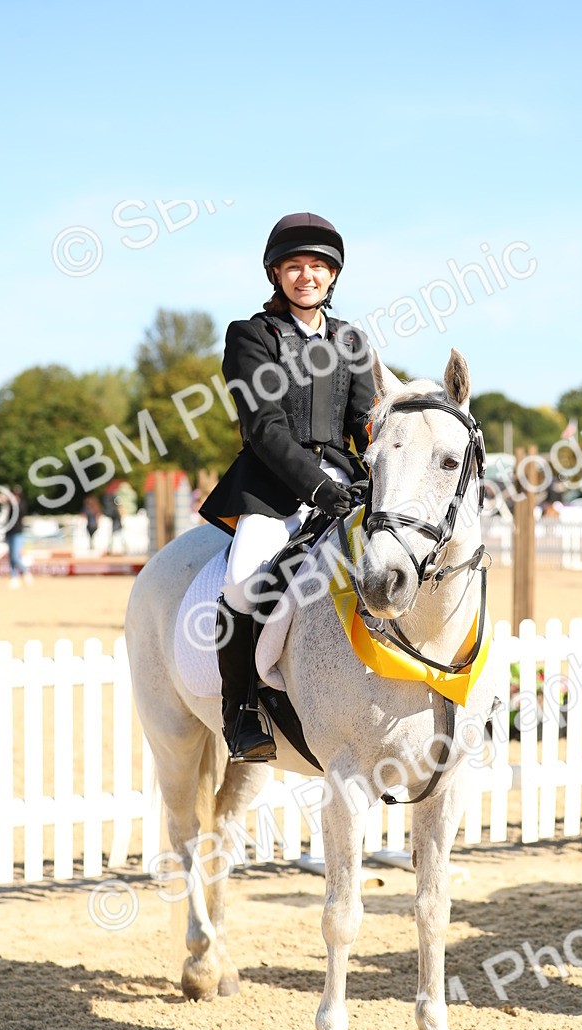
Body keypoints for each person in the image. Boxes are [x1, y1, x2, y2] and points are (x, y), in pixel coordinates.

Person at [200, 212, 376, 762]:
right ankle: (242, 713)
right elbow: (263, 427)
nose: (307, 276)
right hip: (273, 485)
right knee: (242, 582)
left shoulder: (351, 340)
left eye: (318, 267)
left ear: (333, 276)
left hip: (343, 479)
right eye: (295, 266)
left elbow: (365, 419)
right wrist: (317, 488)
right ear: (276, 274)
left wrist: (372, 475)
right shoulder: (250, 335)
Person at [5, 485, 31, 588]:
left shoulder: (21, 505)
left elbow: (21, 513)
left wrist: (14, 503)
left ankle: (25, 571)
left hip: (17, 533)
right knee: (11, 558)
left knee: (15, 556)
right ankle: (14, 577)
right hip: (9, 533)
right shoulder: (10, 505)